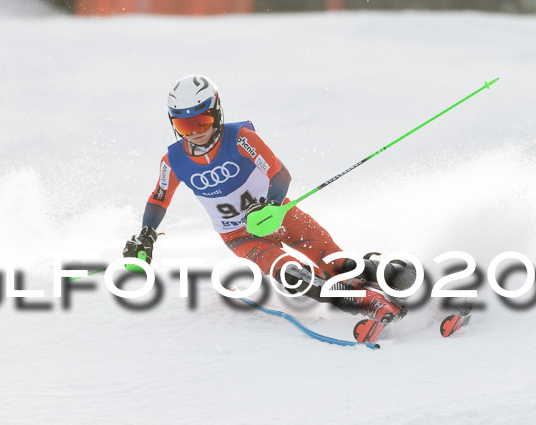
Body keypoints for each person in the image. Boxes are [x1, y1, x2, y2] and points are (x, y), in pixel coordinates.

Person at [123, 75, 407, 324]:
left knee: (339, 264)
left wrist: (271, 206)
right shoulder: (172, 160)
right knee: (294, 276)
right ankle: (368, 303)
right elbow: (159, 199)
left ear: (217, 112)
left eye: (202, 121)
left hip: (280, 216)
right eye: (185, 125)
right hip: (240, 237)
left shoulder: (240, 138)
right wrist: (147, 234)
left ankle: (400, 278)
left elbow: (280, 174)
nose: (196, 132)